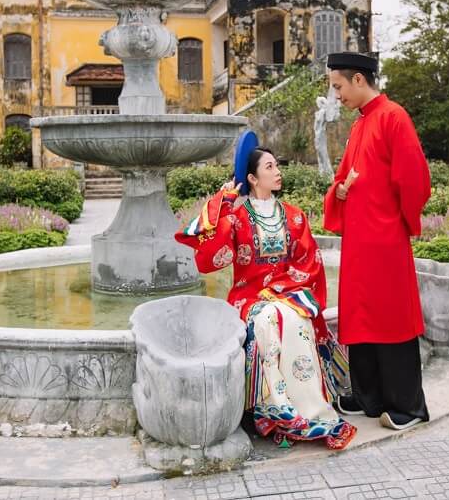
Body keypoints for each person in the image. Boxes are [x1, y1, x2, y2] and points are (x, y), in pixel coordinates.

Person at [175, 133, 356, 449]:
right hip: (249, 296)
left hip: (287, 290)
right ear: (252, 178)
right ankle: (275, 410)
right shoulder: (239, 217)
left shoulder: (294, 215)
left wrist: (285, 287)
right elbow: (210, 259)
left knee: (295, 318)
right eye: (270, 167)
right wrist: (223, 205)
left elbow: (309, 261)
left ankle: (311, 410)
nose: (277, 171)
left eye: (277, 166)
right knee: (266, 321)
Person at [322, 51, 432, 431]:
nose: (337, 95)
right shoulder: (360, 125)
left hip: (384, 241)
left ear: (358, 80)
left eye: (338, 86)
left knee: (391, 318)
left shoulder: (394, 118)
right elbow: (343, 178)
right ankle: (368, 396)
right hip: (359, 241)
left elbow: (415, 180)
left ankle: (407, 405)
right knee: (360, 315)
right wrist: (338, 192)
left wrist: (395, 225)